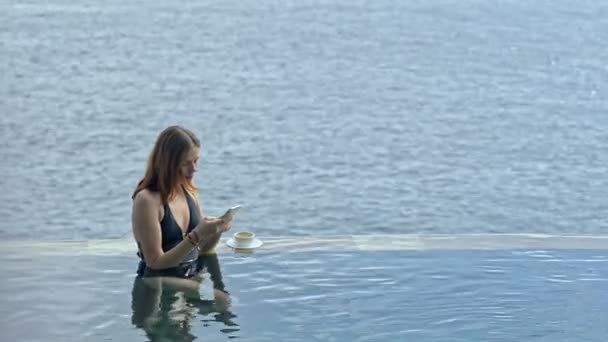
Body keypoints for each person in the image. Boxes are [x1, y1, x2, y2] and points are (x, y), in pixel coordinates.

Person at [131, 125, 232, 299]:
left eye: (196, 161)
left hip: (190, 275)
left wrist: (217, 231)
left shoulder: (189, 191)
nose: (194, 169)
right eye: (186, 163)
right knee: (222, 300)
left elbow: (202, 248)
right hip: (158, 280)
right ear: (168, 163)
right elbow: (154, 263)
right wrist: (196, 235)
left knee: (224, 302)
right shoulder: (147, 201)